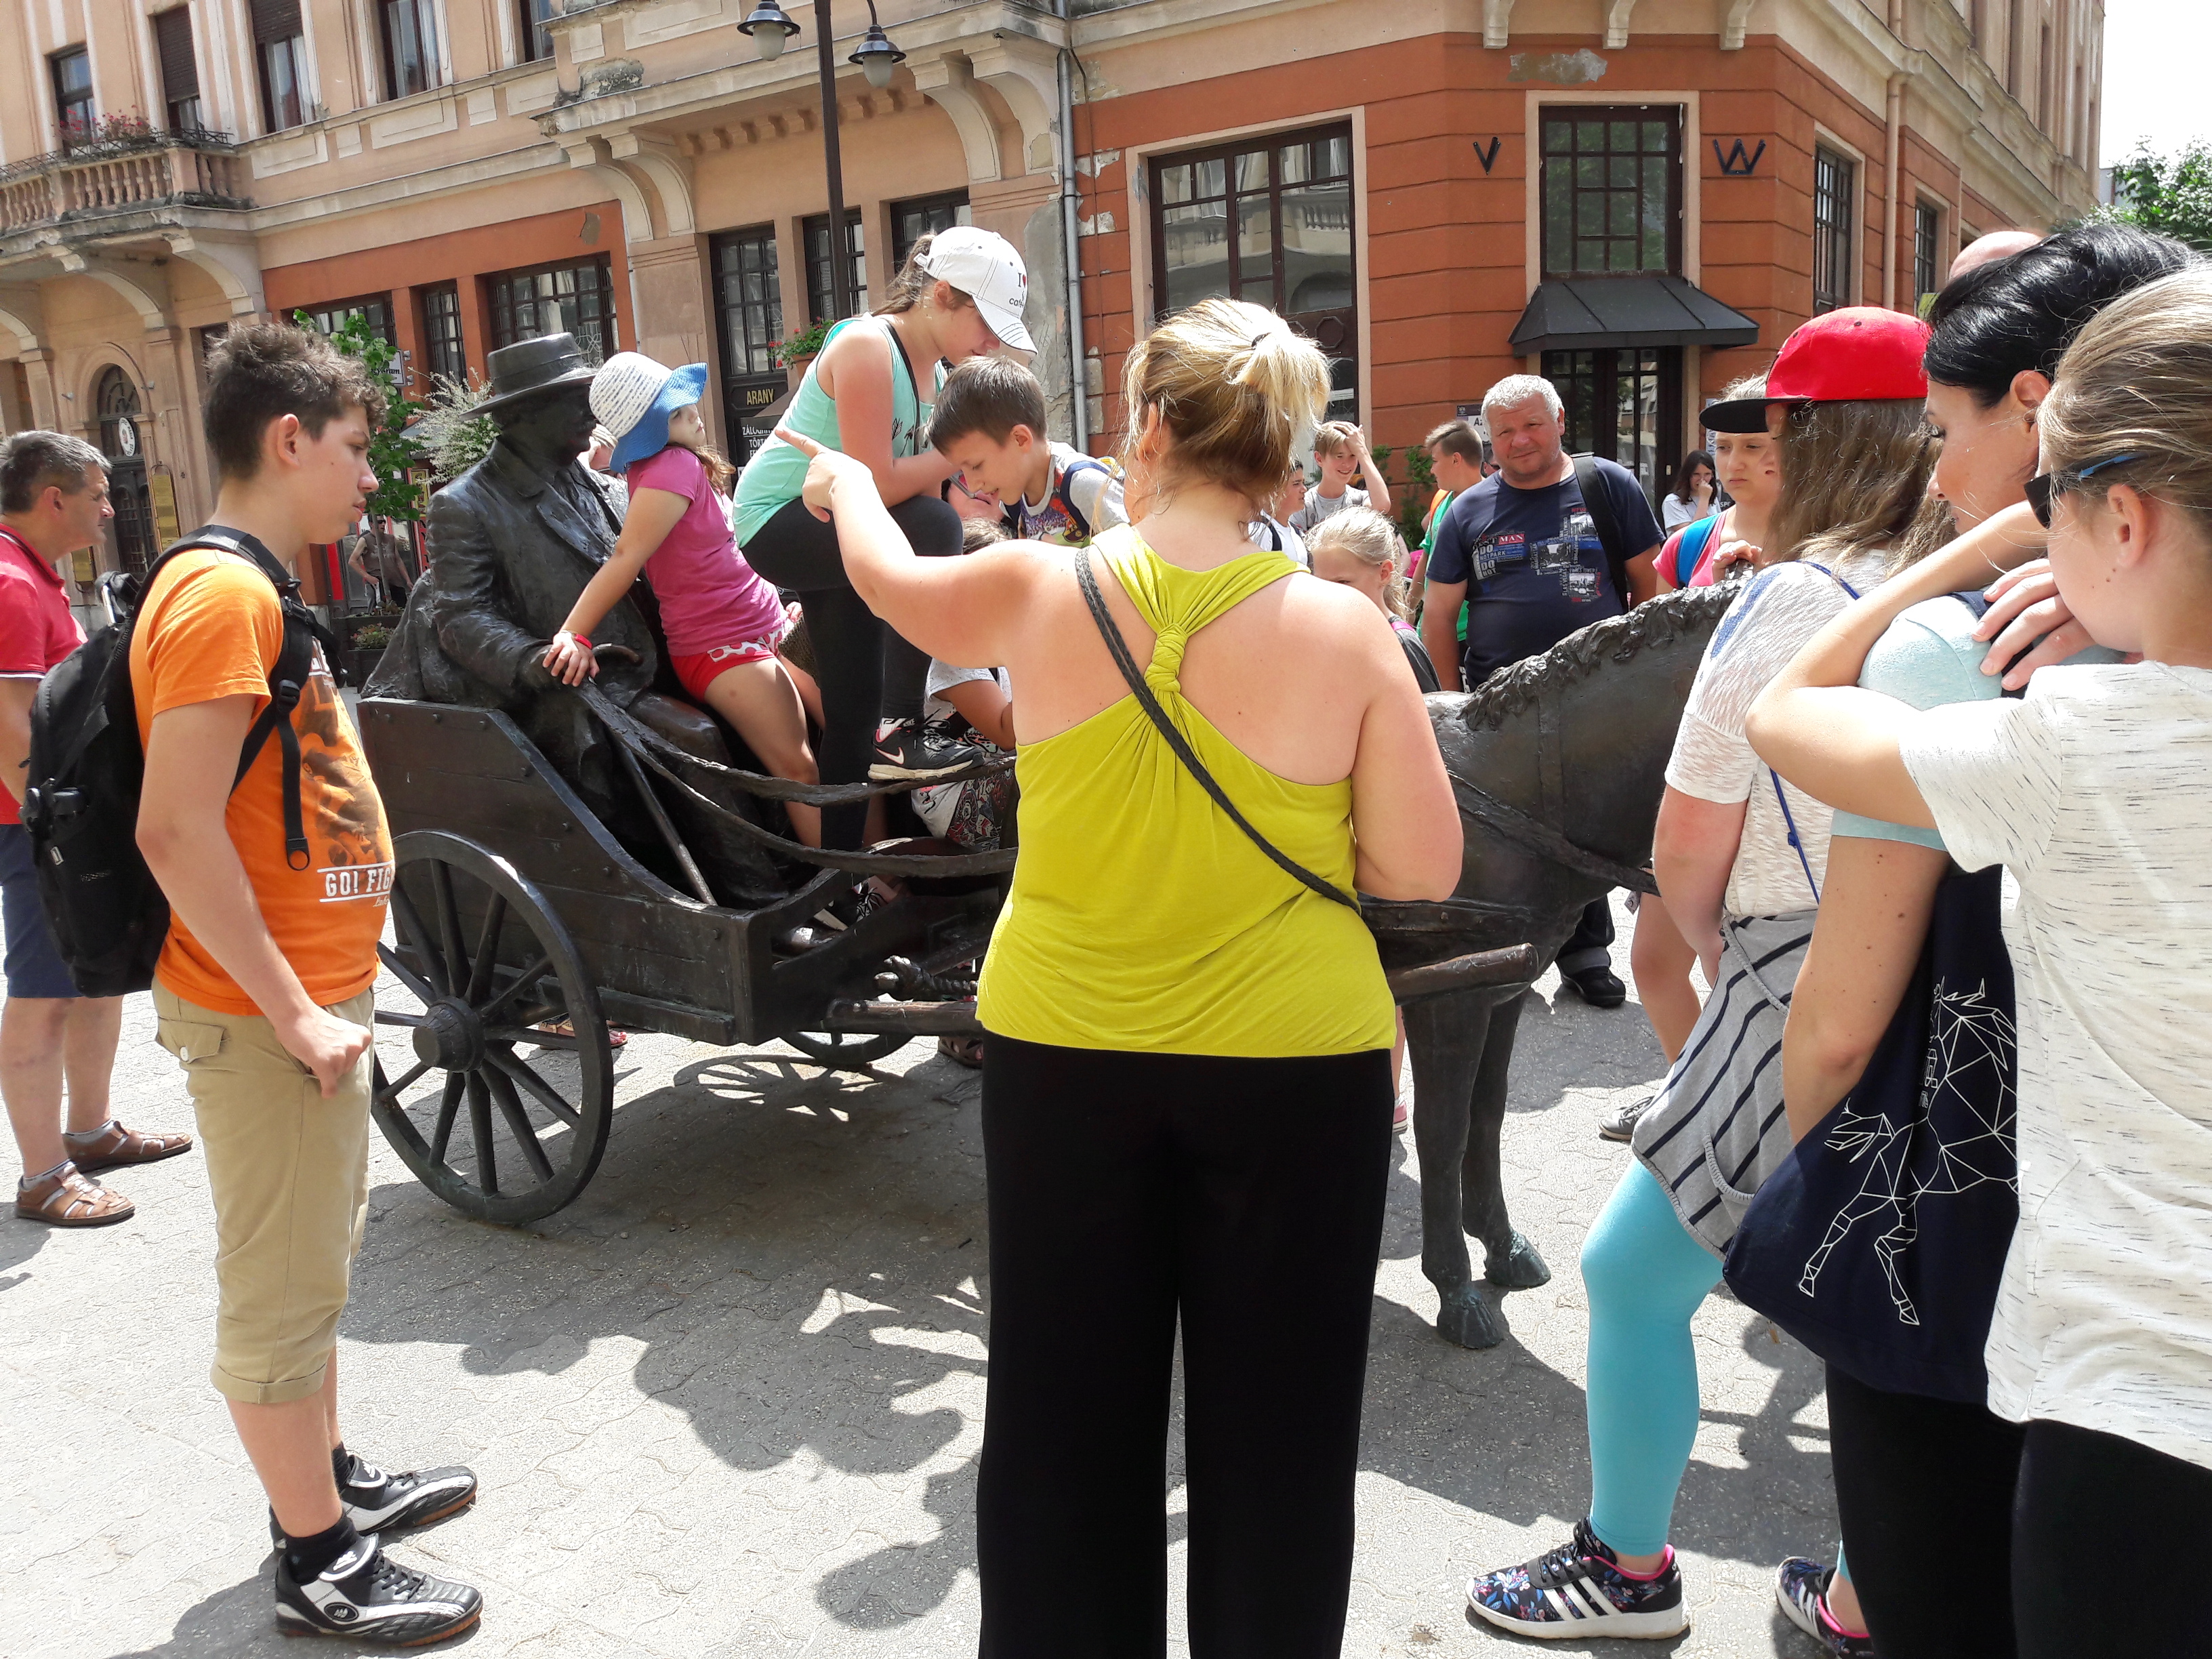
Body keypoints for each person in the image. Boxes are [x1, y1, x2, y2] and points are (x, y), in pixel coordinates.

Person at [775, 293, 1460, 1657]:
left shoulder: (1042, 586)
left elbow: (886, 581)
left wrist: (847, 482)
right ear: (1276, 456)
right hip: (1295, 1062)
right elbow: (1420, 871)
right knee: (1281, 1435)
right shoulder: (1344, 631)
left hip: (1067, 1054)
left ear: (1147, 429)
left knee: (1060, 1420)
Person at [1746, 266, 2212, 1659]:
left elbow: (1786, 711)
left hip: (2130, 1394)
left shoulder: (2070, 744)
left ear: (2122, 517)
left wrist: (1973, 554)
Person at [1464, 306, 1939, 1651]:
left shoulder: (1794, 597)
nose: (1746, 454)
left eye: (1767, 426)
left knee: (1628, 1272)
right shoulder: (1960, 578)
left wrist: (1714, 949)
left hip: (1803, 965)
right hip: (1945, 969)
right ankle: (1870, 1586)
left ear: (1814, 439)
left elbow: (1686, 842)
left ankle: (1626, 1567)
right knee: (1893, 1285)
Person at [133, 324, 482, 1643]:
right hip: (265, 1019)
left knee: (314, 1274)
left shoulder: (250, 591)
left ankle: (329, 1481)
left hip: (299, 1009)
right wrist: (290, 1009)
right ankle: (319, 1561)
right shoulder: (223, 599)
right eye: (354, 447)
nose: (371, 478)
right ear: (289, 440)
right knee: (279, 1299)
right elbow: (175, 830)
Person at [734, 227, 1030, 844]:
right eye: (986, 323)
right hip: (777, 520)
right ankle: (902, 725)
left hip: (836, 520)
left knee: (852, 715)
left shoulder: (936, 376)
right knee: (937, 525)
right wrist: (961, 453)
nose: (992, 342)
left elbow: (907, 499)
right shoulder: (868, 345)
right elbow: (878, 483)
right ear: (942, 294)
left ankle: (844, 877)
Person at [1421, 373, 1665, 1010]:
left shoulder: (1606, 485)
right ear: (1489, 440)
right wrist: (1451, 703)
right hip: (1499, 703)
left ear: (1559, 420)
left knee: (1590, 828)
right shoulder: (1467, 510)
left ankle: (1586, 954)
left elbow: (1649, 586)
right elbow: (1439, 615)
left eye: (1532, 424)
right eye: (1504, 432)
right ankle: (1511, 950)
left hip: (1599, 699)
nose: (1520, 440)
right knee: (1506, 831)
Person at [0, 432, 190, 1227]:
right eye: (99, 495)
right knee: (43, 992)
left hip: (53, 814)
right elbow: (11, 723)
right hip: (33, 824)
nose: (110, 510)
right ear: (54, 499)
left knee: (94, 975)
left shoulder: (30, 573)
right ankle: (43, 1174)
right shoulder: (10, 582)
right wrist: (62, 826)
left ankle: (89, 1129)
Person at [541, 352, 822, 846]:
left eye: (686, 402)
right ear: (652, 430)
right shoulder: (670, 467)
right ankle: (855, 879)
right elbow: (625, 558)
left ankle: (875, 870)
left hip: (765, 625)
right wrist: (573, 632)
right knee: (799, 768)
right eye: (675, 411)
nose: (694, 413)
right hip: (724, 646)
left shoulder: (674, 464)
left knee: (850, 740)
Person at [1611, 376, 1784, 1142]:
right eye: (1725, 447)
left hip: (1782, 800)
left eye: (1756, 446)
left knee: (1740, 970)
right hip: (1695, 782)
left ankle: (1758, 1119)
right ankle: (1697, 1107)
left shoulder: (1833, 540)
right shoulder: (1689, 545)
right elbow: (1656, 666)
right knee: (1655, 963)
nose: (1735, 463)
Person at [1306, 504, 1439, 1133]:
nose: (1326, 596)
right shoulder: (1328, 638)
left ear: (1385, 573)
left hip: (1384, 837)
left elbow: (1433, 748)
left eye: (1343, 583)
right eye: (1317, 582)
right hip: (1340, 828)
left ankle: (1384, 1097)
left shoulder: (1399, 647)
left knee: (1387, 974)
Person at [928, 356, 1128, 548]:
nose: (973, 486)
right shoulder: (1015, 502)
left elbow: (1139, 554)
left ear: (1020, 439)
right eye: (962, 473)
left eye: (976, 466)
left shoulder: (1084, 486)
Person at [1414, 417, 1488, 592]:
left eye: (1435, 461)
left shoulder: (1494, 504)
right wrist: (1409, 605)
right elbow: (1427, 556)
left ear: (1456, 460)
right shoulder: (1440, 498)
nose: (1432, 470)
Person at [1288, 419, 1391, 537]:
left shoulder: (1359, 500)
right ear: (1319, 459)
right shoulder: (1305, 504)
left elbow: (1382, 506)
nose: (1347, 464)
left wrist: (1362, 452)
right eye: (1339, 456)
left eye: (1353, 456)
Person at [1660, 450, 1716, 532]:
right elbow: (1693, 534)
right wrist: (1704, 499)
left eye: (1707, 474)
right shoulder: (1673, 501)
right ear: (1688, 475)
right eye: (1696, 474)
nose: (1702, 479)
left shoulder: (1712, 499)